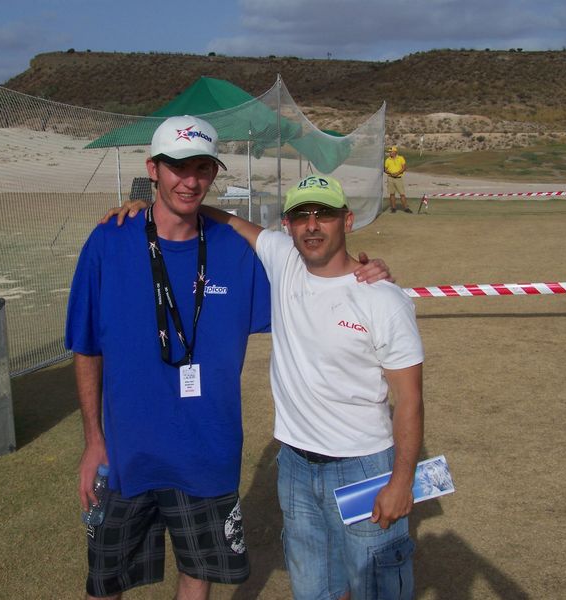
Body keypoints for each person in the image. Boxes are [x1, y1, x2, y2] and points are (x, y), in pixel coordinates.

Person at [65, 116, 391, 600]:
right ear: (152, 169)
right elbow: (87, 346)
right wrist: (94, 440)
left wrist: (366, 274)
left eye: (202, 168)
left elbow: (314, 284)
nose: (190, 180)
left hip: (207, 455)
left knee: (197, 575)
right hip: (126, 454)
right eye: (177, 167)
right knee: (105, 581)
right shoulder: (109, 241)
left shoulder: (235, 251)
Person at [199, 174, 424, 599]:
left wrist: (400, 482)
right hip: (296, 467)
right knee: (315, 591)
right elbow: (228, 221)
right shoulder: (283, 257)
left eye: (324, 214)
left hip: (364, 468)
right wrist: (148, 210)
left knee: (376, 588)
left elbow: (410, 400)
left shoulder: (384, 300)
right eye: (301, 216)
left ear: (348, 221)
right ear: (287, 225)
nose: (312, 225)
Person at [384, 145, 412, 213]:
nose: (390, 153)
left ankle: (406, 208)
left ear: (395, 152)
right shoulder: (387, 160)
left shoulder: (401, 158)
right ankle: (393, 208)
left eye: (391, 152)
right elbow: (385, 169)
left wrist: (397, 173)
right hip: (390, 178)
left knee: (402, 194)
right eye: (389, 152)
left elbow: (404, 167)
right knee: (392, 194)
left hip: (398, 178)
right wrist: (390, 173)